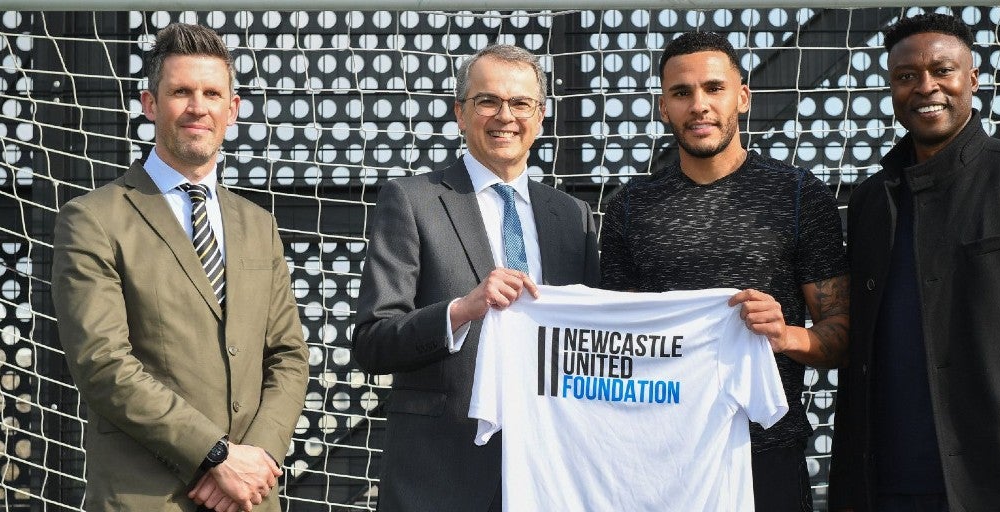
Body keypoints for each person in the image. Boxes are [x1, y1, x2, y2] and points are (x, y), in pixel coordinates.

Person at [828, 13, 1000, 512]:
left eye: (942, 70)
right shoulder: (870, 201)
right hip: (883, 489)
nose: (925, 87)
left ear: (972, 80)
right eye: (906, 76)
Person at [51, 23, 309, 512]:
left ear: (232, 110)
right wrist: (213, 456)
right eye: (180, 92)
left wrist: (256, 457)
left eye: (212, 93)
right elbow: (103, 364)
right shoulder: (93, 219)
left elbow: (289, 356)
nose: (198, 107)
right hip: (147, 498)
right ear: (150, 104)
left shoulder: (258, 225)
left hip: (251, 497)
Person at [599, 31, 850, 511]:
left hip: (768, 454)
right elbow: (617, 346)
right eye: (681, 92)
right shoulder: (630, 207)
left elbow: (842, 334)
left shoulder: (798, 194)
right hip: (659, 457)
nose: (699, 105)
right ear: (662, 108)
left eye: (714, 88)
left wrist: (786, 336)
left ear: (743, 96)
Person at [352, 44, 600, 511]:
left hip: (552, 474)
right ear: (460, 114)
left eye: (520, 103)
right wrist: (462, 310)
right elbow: (372, 342)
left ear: (541, 117)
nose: (505, 115)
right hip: (442, 478)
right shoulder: (411, 200)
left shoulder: (573, 217)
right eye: (487, 101)